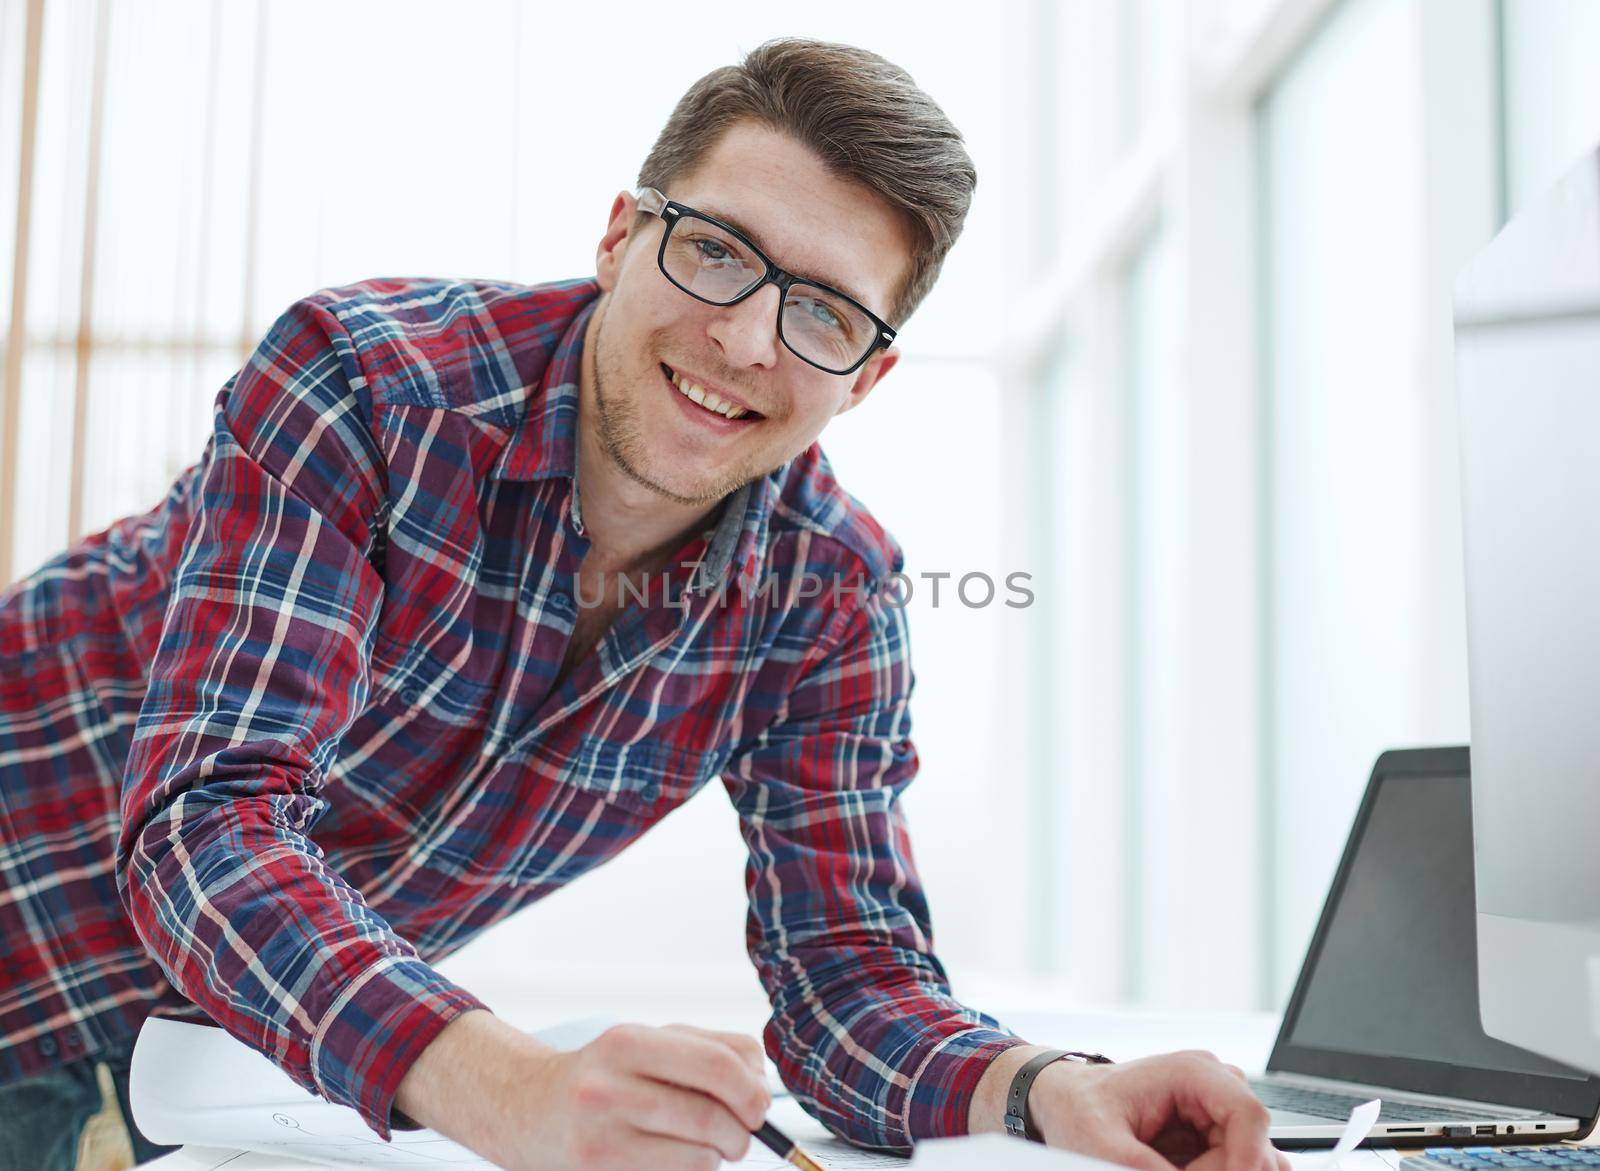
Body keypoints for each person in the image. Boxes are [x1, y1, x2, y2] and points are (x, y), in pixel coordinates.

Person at [0, 37, 1288, 1171]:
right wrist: (505, 1089)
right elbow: (210, 822)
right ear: (620, 232)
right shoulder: (369, 386)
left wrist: (1045, 1090)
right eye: (718, 250)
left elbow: (849, 979)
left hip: (203, 1056)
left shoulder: (830, 596)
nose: (745, 341)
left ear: (872, 375)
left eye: (826, 312)